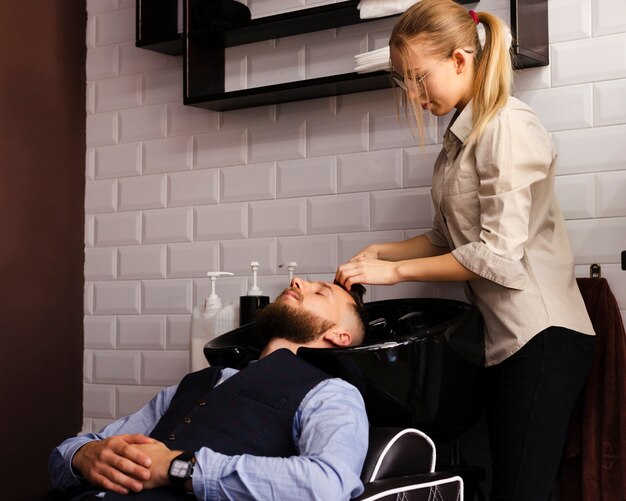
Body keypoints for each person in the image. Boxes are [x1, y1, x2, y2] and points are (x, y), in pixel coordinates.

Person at [334, 1, 596, 500]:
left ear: (459, 60)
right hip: (508, 342)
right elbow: (444, 237)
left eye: (417, 77)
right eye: (403, 81)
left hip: (541, 337)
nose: (412, 93)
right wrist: (381, 252)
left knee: (521, 492)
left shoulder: (508, 128)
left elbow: (496, 257)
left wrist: (396, 273)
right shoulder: (459, 142)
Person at [49, 278, 369, 500]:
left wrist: (178, 468)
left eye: (320, 292)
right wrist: (83, 456)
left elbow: (327, 486)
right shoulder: (199, 383)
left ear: (339, 335)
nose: (298, 281)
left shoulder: (331, 393)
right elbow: (70, 451)